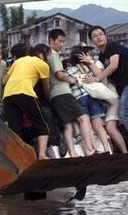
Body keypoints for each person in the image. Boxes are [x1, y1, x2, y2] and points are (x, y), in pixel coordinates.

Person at [80, 26, 128, 151]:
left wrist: (96, 79)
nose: (99, 37)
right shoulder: (102, 57)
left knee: (125, 113)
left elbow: (114, 65)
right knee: (125, 116)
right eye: (95, 36)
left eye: (101, 34)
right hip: (124, 88)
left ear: (105, 36)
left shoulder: (112, 46)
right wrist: (90, 65)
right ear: (92, 40)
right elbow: (104, 76)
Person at [47, 29, 95, 157]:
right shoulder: (54, 55)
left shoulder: (51, 56)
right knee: (84, 118)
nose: (62, 44)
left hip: (55, 96)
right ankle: (90, 149)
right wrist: (72, 80)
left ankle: (73, 153)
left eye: (63, 42)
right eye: (60, 41)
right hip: (63, 93)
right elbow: (60, 74)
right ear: (51, 41)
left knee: (68, 125)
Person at [3, 44, 51, 160]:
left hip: (8, 95)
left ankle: (18, 159)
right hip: (25, 93)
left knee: (15, 129)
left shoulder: (17, 62)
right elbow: (46, 88)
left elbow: (4, 81)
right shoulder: (42, 64)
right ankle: (42, 155)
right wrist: (46, 99)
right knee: (42, 125)